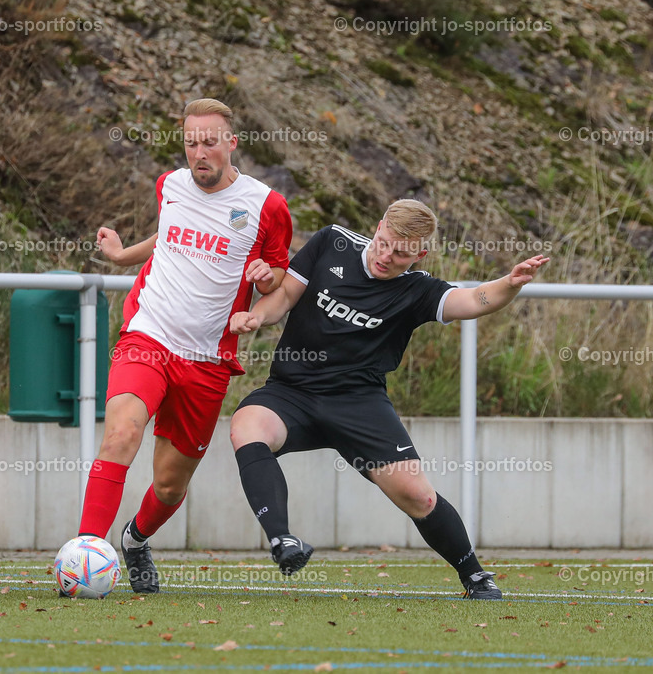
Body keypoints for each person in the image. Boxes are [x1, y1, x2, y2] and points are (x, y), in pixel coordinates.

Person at [229, 199, 549, 600]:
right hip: (292, 391)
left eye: (401, 253)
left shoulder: (416, 289)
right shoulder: (333, 243)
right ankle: (283, 541)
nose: (387, 256)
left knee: (418, 496)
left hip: (359, 404)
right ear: (379, 227)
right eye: (384, 243)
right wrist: (258, 316)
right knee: (246, 427)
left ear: (420, 253)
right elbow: (284, 296)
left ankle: (475, 576)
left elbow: (472, 301)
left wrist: (509, 283)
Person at [76, 98, 293, 593]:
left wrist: (265, 276)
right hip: (148, 336)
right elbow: (170, 235)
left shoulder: (267, 205)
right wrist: (118, 255)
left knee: (171, 485)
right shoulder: (169, 185)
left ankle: (134, 539)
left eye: (210, 142)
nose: (200, 153)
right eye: (191, 142)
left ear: (231, 144)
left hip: (208, 360)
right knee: (120, 435)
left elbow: (278, 272)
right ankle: (88, 550)